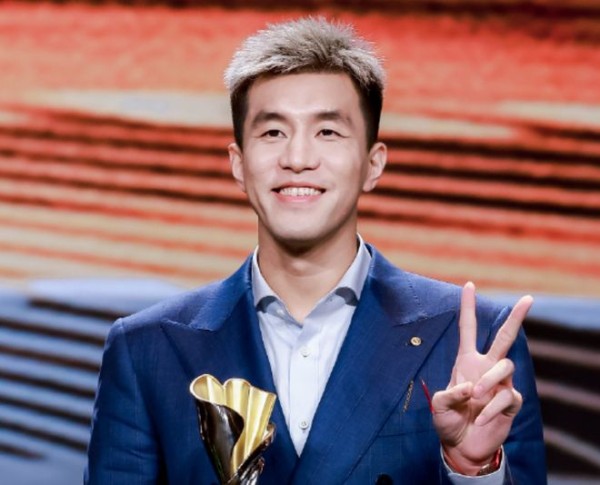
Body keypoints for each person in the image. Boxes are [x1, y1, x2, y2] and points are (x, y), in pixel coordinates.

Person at [85, 17, 546, 484]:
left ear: (373, 164)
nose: (298, 159)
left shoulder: (474, 340)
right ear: (238, 165)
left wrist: (473, 469)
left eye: (327, 132)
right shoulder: (147, 349)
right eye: (273, 133)